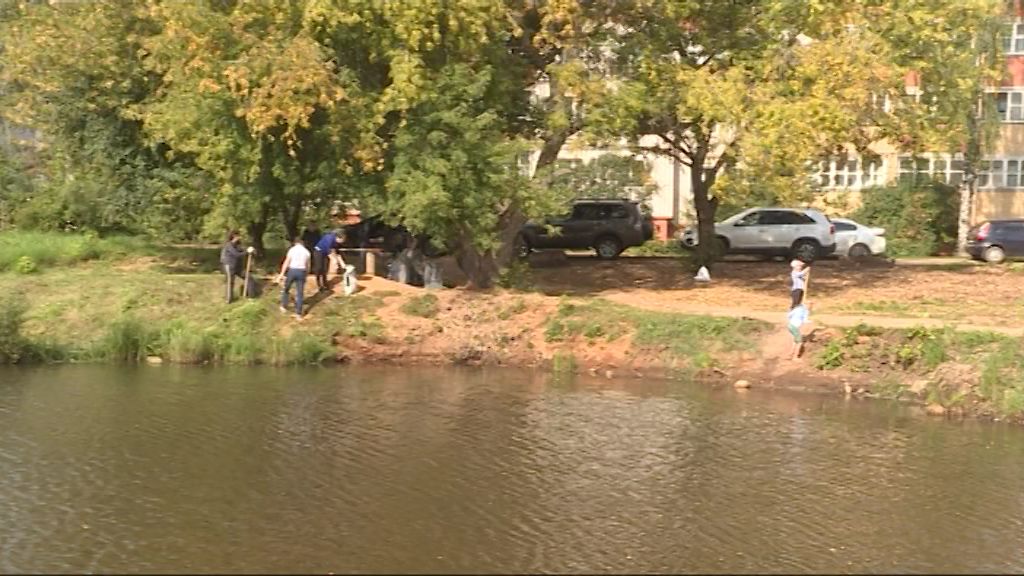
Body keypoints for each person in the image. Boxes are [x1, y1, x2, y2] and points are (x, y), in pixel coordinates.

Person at [277, 237, 311, 320]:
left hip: (292, 270)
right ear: (302, 243)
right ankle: (298, 313)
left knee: (286, 288)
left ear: (295, 243)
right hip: (301, 271)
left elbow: (287, 262)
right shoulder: (307, 252)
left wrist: (282, 273)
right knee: (300, 293)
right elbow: (308, 265)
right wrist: (306, 274)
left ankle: (284, 306)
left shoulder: (292, 250)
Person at [220, 230, 252, 304]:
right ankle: (228, 299)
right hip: (229, 265)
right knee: (230, 282)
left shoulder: (237, 244)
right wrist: (247, 252)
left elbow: (242, 250)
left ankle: (250, 295)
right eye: (238, 236)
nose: (240, 237)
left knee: (248, 276)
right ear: (234, 236)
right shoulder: (229, 245)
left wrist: (250, 250)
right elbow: (236, 254)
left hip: (237, 266)